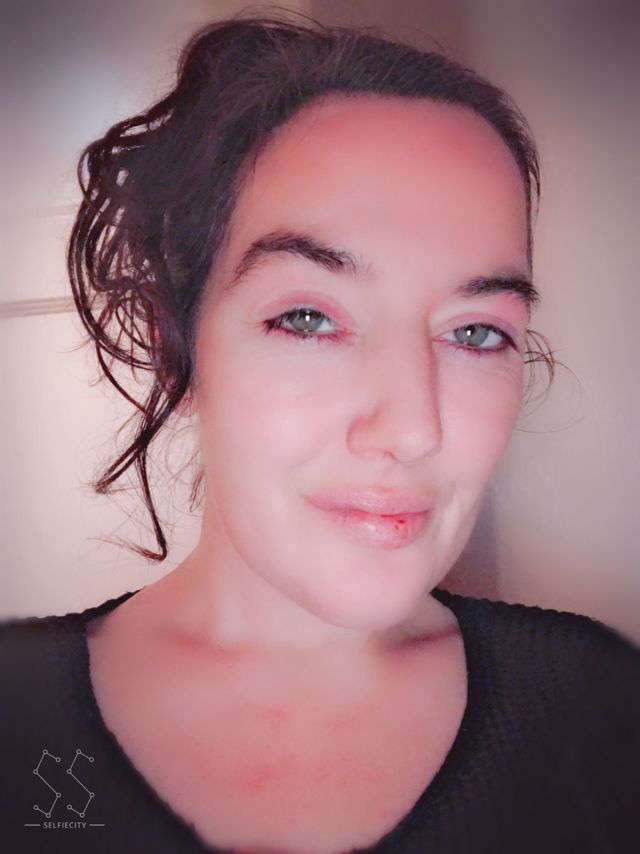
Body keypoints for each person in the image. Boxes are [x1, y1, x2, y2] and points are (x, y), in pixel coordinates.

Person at [1, 11, 638, 854]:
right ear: (175, 347)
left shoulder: (598, 704)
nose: (412, 428)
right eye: (308, 318)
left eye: (476, 332)